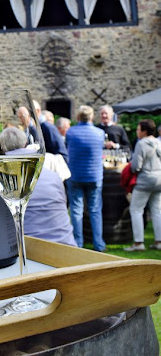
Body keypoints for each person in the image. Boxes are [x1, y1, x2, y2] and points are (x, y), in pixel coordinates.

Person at [0, 127, 77, 246]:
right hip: (67, 246)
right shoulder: (53, 176)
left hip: (30, 252)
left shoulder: (0, 178)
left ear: (1, 147)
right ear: (25, 143)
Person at [65, 105, 106, 252]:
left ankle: (78, 243)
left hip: (75, 175)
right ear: (92, 117)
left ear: (77, 117)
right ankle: (99, 244)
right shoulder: (100, 133)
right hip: (94, 176)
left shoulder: (70, 132)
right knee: (95, 210)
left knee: (76, 210)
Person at [124, 119, 161, 252]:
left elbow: (136, 166)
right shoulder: (158, 141)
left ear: (144, 131)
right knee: (157, 210)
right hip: (159, 180)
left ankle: (138, 242)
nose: (137, 132)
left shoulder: (141, 144)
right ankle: (159, 241)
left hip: (145, 180)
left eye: (138, 129)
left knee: (136, 210)